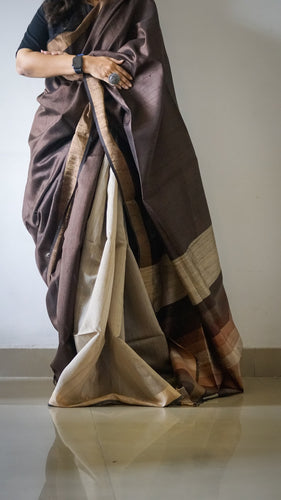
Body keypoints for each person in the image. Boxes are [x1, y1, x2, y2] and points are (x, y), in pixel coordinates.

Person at [16, 0, 243, 407]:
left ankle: (132, 355)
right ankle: (89, 356)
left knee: (115, 241)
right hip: (61, 137)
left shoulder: (136, 6)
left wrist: (81, 63)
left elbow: (148, 73)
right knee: (74, 248)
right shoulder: (58, 5)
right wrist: (86, 63)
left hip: (121, 138)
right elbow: (25, 62)